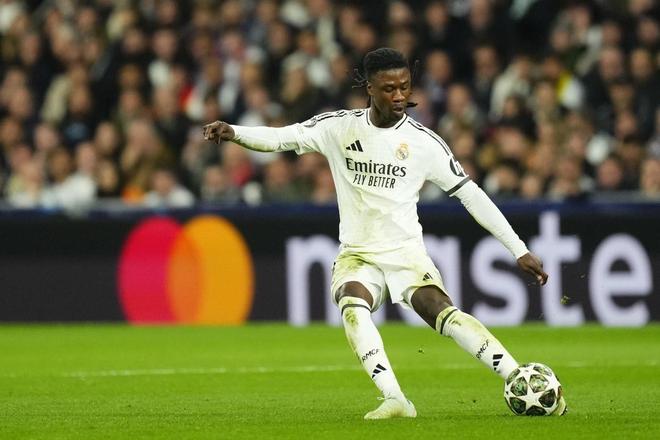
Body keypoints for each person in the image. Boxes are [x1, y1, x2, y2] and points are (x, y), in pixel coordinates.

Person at [203, 48, 566, 419]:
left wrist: (518, 249)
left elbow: (471, 196)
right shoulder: (339, 127)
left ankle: (517, 377)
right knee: (351, 302)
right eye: (389, 88)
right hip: (358, 253)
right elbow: (282, 138)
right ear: (370, 89)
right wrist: (234, 132)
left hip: (405, 252)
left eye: (404, 87)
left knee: (439, 310)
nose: (399, 96)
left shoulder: (424, 143)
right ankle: (395, 399)